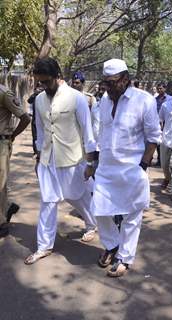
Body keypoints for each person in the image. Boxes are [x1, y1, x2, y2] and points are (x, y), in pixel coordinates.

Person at [88, 59, 161, 277]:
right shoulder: (104, 101)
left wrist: (143, 166)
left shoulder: (144, 101)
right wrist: (93, 162)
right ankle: (112, 245)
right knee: (98, 209)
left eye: (111, 83)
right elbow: (100, 134)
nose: (107, 87)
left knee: (131, 215)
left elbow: (153, 137)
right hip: (107, 168)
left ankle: (125, 258)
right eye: (105, 83)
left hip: (132, 169)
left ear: (125, 79)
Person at [24, 57, 97, 265]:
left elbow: (88, 132)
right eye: (40, 82)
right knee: (48, 201)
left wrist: (91, 164)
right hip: (48, 159)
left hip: (73, 159)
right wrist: (38, 156)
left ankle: (92, 225)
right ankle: (44, 246)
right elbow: (39, 131)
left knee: (77, 196)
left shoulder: (77, 98)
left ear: (58, 76)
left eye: (46, 81)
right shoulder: (38, 100)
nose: (43, 86)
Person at [0, 84, 30, 238]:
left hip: (1, 144)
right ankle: (8, 207)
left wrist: (12, 136)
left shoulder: (4, 93)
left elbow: (25, 118)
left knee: (0, 184)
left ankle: (2, 223)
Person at [154, 82, 171, 166]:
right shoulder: (155, 99)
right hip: (157, 123)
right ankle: (159, 160)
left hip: (166, 123)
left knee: (165, 142)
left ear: (165, 88)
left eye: (161, 88)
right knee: (158, 142)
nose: (159, 90)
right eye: (158, 88)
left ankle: (165, 161)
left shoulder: (169, 99)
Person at [27, 83, 44, 155]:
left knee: (42, 136)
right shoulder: (35, 96)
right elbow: (29, 101)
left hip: (43, 120)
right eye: (38, 88)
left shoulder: (45, 96)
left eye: (41, 88)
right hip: (34, 120)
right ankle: (36, 152)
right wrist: (35, 94)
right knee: (35, 137)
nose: (39, 89)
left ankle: (42, 151)